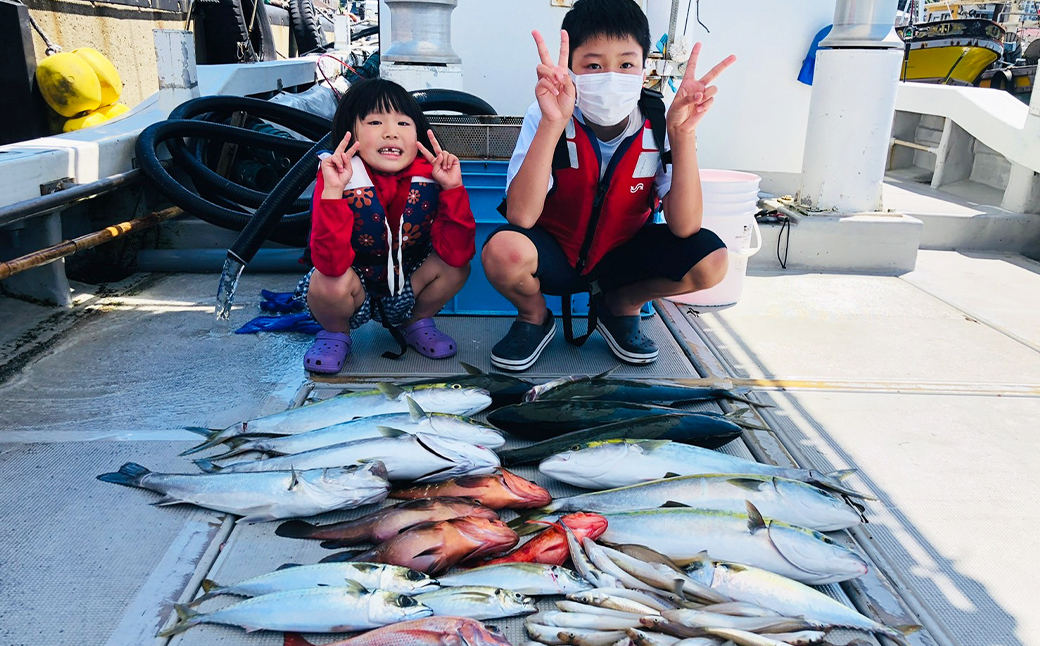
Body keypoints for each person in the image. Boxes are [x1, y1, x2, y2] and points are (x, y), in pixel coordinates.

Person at [481, 0, 735, 371]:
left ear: (644, 68)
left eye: (626, 63)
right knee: (503, 249)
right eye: (594, 64)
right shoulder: (545, 114)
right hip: (557, 254)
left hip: (623, 255)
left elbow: (685, 226)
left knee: (712, 261)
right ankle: (534, 316)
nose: (611, 75)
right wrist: (553, 123)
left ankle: (621, 305)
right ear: (571, 69)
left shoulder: (660, 120)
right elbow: (520, 215)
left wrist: (682, 135)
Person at [298, 78, 475, 373]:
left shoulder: (433, 175)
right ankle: (335, 333)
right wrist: (332, 193)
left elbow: (457, 253)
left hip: (407, 285)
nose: (391, 133)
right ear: (349, 132)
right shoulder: (337, 175)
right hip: (351, 285)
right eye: (376, 122)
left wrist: (453, 189)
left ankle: (415, 322)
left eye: (404, 124)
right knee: (327, 281)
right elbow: (329, 263)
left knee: (457, 267)